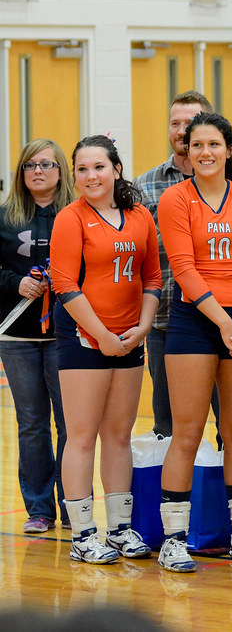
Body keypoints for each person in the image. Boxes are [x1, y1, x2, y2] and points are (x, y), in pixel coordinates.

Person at [156, 112, 232, 573]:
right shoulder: (174, 199)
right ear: (185, 151)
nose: (205, 152)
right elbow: (184, 269)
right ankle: (173, 539)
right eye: (196, 145)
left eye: (214, 144)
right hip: (195, 322)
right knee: (186, 433)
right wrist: (225, 322)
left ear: (229, 150)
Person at [50, 135, 161, 564]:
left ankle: (119, 529)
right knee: (81, 436)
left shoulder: (138, 217)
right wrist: (102, 335)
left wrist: (143, 327)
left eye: (98, 167)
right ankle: (83, 536)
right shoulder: (70, 218)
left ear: (116, 169)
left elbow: (151, 277)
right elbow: (65, 285)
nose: (90, 176)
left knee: (118, 435)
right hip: (84, 338)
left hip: (130, 338)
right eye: (81, 169)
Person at [136, 91, 232, 440]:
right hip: (167, 321)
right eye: (175, 123)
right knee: (170, 429)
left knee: (231, 428)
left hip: (228, 322)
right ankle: (174, 496)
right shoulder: (145, 185)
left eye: (191, 123)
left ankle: (224, 496)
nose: (182, 131)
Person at [0, 139, 76, 534]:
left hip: (68, 336)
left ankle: (73, 505)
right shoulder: (5, 217)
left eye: (46, 164)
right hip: (18, 338)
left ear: (61, 171)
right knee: (31, 424)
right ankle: (40, 509)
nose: (38, 171)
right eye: (29, 165)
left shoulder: (77, 214)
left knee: (70, 424)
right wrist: (16, 284)